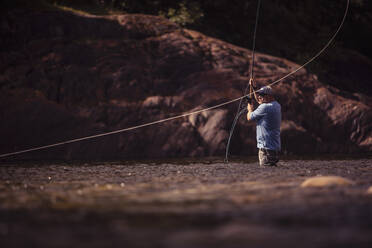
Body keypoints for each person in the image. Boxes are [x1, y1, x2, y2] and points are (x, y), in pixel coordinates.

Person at [247, 85, 281, 166]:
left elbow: (249, 117)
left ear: (269, 96)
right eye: (259, 95)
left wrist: (249, 107)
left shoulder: (265, 107)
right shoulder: (277, 105)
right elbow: (260, 101)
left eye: (262, 95)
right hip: (274, 149)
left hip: (265, 150)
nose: (259, 97)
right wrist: (253, 88)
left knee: (266, 174)